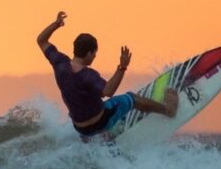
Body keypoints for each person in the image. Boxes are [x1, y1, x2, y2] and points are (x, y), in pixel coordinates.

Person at [37, 11, 177, 138]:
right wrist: (122, 67)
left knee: (88, 102)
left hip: (79, 128)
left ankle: (102, 136)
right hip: (99, 122)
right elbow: (108, 91)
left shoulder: (59, 63)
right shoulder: (87, 75)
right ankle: (168, 110)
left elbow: (41, 40)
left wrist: (56, 24)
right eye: (95, 53)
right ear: (89, 53)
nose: (95, 57)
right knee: (132, 98)